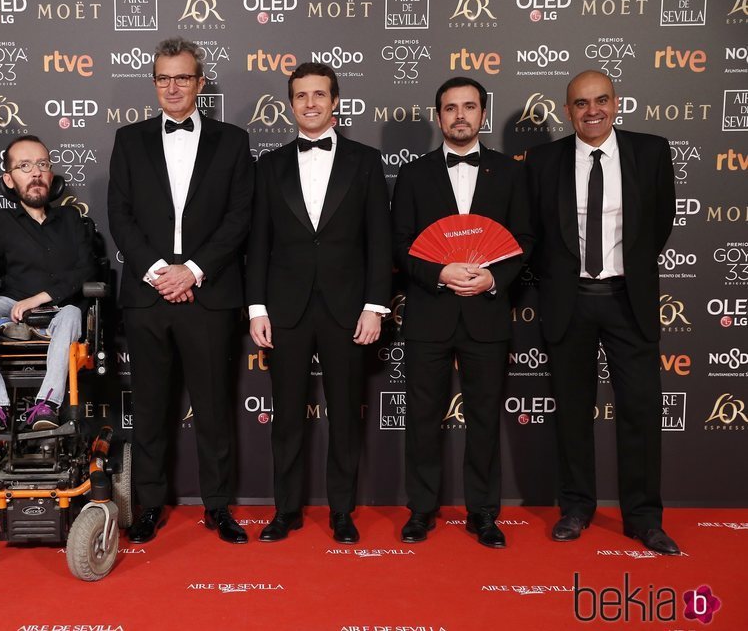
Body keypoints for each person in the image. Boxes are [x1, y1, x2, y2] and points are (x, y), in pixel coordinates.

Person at [525, 70, 679, 555]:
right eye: (580, 103)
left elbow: (659, 224)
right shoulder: (544, 159)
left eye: (601, 101)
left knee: (640, 411)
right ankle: (575, 508)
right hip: (568, 303)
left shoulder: (650, 151)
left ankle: (644, 518)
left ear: (616, 102)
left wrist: (625, 271)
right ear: (566, 110)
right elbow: (536, 232)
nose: (592, 111)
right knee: (571, 413)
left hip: (627, 301)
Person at [107, 37, 253, 544]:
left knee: (214, 408)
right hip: (147, 296)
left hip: (208, 295)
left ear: (200, 82)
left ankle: (217, 507)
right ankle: (148, 505)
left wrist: (191, 270)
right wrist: (158, 271)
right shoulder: (129, 139)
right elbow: (119, 216)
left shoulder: (233, 141)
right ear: (154, 84)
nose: (173, 86)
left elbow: (239, 218)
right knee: (149, 408)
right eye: (163, 78)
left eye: (183, 77)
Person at [247, 63, 391, 544]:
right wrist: (257, 309)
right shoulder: (268, 166)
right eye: (301, 96)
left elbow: (379, 241)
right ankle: (285, 511)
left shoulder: (366, 161)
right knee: (286, 417)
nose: (310, 103)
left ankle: (342, 513)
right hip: (285, 309)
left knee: (346, 415)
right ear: (290, 104)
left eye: (319, 95)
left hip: (348, 308)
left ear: (335, 102)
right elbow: (258, 243)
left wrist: (375, 305)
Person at [391, 77, 533, 548]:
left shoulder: (510, 173)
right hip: (429, 314)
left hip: (488, 315)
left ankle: (483, 513)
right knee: (423, 418)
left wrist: (494, 279)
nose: (459, 116)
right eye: (450, 107)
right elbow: (401, 244)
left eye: (469, 107)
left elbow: (524, 242)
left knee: (486, 419)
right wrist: (439, 273)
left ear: (483, 115)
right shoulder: (413, 175)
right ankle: (421, 510)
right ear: (438, 117)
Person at [0, 135, 96, 433]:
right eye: (25, 166)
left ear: (51, 175)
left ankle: (46, 404)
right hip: (13, 306)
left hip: (60, 309)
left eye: (42, 164)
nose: (35, 172)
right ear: (9, 180)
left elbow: (86, 270)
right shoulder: (3, 222)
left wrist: (39, 299)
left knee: (74, 314)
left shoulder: (71, 219)